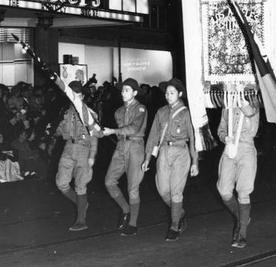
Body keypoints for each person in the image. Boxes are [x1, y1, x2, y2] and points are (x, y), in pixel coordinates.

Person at [142, 78, 199, 241]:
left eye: (172, 93)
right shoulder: (161, 112)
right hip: (164, 151)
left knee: (175, 192)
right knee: (163, 191)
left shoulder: (187, 113)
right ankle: (179, 211)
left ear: (180, 94)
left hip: (181, 151)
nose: (168, 96)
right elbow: (153, 135)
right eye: (166, 93)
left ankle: (174, 226)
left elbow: (194, 138)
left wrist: (195, 161)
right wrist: (147, 158)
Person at [103, 78, 147, 236]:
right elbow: (119, 130)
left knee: (133, 188)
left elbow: (134, 129)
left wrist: (113, 131)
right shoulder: (118, 112)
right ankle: (126, 209)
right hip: (121, 146)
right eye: (122, 90)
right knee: (109, 182)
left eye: (127, 90)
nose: (123, 93)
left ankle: (133, 224)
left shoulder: (140, 109)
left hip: (135, 147)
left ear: (135, 93)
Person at [55, 81, 101, 232]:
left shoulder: (89, 114)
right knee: (61, 183)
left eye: (78, 95)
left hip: (83, 149)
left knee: (81, 185)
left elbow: (94, 136)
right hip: (68, 147)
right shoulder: (65, 113)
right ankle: (82, 203)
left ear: (82, 96)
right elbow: (59, 131)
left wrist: (92, 156)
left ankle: (81, 220)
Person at [216, 93, 259, 248]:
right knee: (224, 191)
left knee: (243, 191)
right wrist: (224, 137)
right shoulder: (227, 104)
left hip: (246, 148)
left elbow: (251, 117)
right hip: (229, 149)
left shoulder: (253, 103)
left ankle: (242, 233)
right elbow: (221, 127)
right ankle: (242, 218)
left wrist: (241, 100)